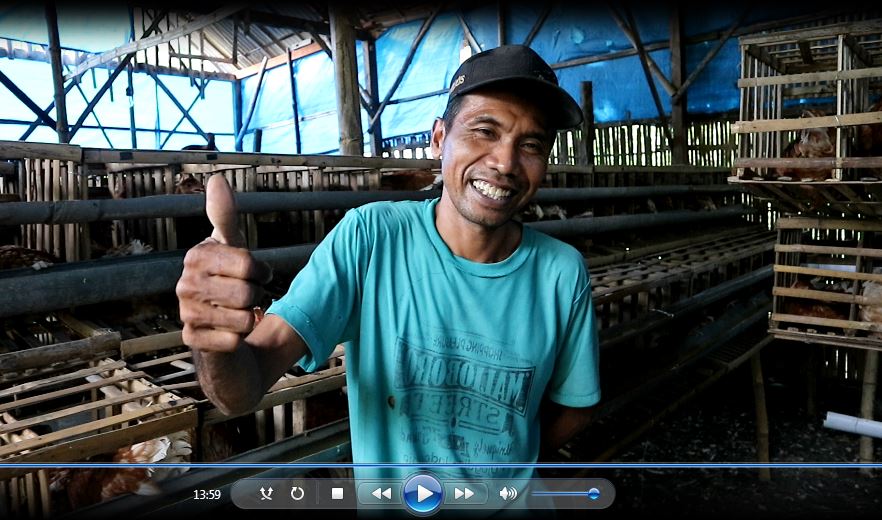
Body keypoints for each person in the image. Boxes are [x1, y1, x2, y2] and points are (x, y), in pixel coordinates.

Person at [176, 45, 600, 487]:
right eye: (484, 131)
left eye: (531, 144)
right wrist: (212, 341)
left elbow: (577, 408)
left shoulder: (562, 273)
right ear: (439, 139)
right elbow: (240, 391)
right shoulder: (371, 237)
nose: (505, 163)